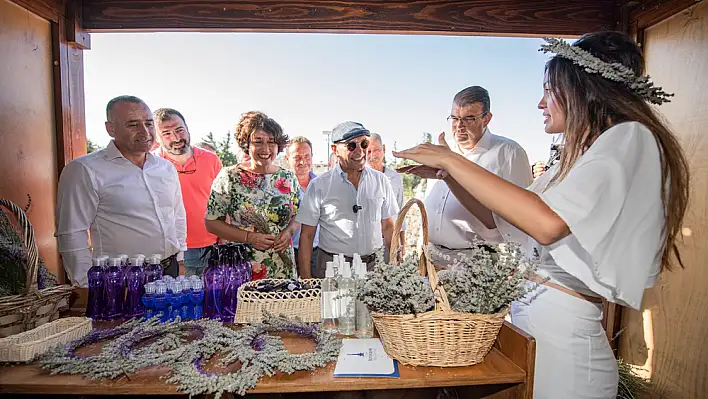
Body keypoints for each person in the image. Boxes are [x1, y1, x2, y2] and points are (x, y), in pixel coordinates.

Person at [394, 31, 689, 398]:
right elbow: (496, 221)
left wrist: (450, 158)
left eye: (549, 90)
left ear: (583, 89)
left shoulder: (630, 137)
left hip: (566, 345)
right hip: (537, 328)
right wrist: (448, 174)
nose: (539, 103)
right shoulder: (572, 159)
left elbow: (547, 224)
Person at [56, 95, 187, 285]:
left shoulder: (165, 168)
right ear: (111, 129)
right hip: (120, 278)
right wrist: (86, 286)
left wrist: (180, 258)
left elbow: (177, 215)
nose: (145, 132)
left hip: (169, 272)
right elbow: (72, 232)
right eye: (133, 125)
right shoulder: (85, 170)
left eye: (149, 124)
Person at [400, 86, 532, 268]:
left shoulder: (509, 153)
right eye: (454, 118)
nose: (459, 126)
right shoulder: (443, 151)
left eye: (469, 119)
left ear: (486, 118)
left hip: (474, 262)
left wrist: (520, 268)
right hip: (430, 257)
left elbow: (522, 220)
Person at [205, 111, 300, 280]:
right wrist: (249, 237)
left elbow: (298, 215)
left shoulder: (288, 178)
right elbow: (211, 223)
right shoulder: (229, 177)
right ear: (246, 145)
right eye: (258, 142)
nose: (265, 149)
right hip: (244, 266)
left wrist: (288, 232)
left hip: (283, 266)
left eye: (271, 142)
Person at [296, 121, 399, 278]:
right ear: (335, 149)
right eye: (351, 146)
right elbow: (307, 235)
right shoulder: (319, 186)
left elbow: (389, 228)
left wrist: (395, 266)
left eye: (364, 144)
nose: (360, 151)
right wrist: (305, 279)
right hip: (333, 268)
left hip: (374, 268)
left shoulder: (381, 181)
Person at [154, 108, 223, 277]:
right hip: (171, 251)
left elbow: (223, 202)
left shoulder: (211, 159)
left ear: (187, 128)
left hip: (212, 246)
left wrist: (224, 238)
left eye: (179, 130)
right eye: (167, 133)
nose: (176, 138)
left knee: (212, 300)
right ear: (156, 137)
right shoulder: (151, 165)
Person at [284, 136, 320, 275]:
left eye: (307, 156)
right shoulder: (278, 187)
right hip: (288, 252)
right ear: (287, 158)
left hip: (317, 252)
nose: (303, 161)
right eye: (297, 157)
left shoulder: (322, 184)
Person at [366, 133, 406, 256]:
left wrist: (402, 243)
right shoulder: (359, 177)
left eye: (376, 150)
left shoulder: (395, 178)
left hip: (391, 241)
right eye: (368, 151)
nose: (372, 155)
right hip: (367, 244)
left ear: (384, 149)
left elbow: (400, 212)